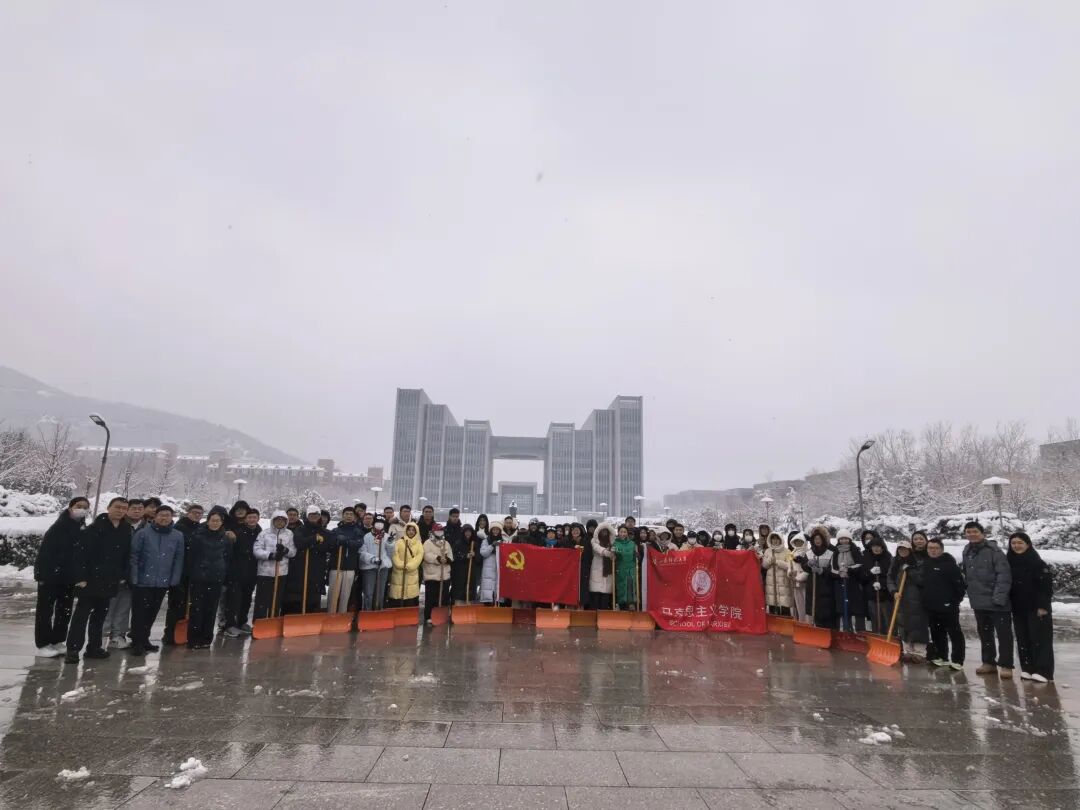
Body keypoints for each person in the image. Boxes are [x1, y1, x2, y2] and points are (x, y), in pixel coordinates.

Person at [65, 497, 131, 663]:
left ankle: (94, 647)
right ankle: (73, 650)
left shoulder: (125, 529)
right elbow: (80, 555)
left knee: (100, 617)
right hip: (90, 579)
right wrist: (80, 577)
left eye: (124, 508)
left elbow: (125, 554)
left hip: (110, 580)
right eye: (117, 507)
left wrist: (122, 575)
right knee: (81, 616)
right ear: (109, 508)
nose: (121, 510)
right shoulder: (94, 528)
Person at [127, 505, 185, 656]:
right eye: (161, 515)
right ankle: (137, 641)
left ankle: (145, 639)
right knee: (140, 612)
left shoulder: (177, 535)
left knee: (153, 611)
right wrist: (134, 577)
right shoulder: (143, 533)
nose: (164, 518)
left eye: (167, 515)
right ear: (155, 516)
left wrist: (174, 579)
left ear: (172, 517)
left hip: (162, 581)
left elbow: (178, 558)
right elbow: (134, 556)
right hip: (142, 580)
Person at [34, 497, 88, 657]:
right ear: (71, 507)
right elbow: (45, 553)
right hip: (50, 576)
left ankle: (57, 640)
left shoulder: (81, 527)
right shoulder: (59, 526)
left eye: (85, 507)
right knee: (45, 611)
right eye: (78, 506)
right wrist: (40, 574)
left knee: (64, 610)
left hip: (68, 577)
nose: (82, 509)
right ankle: (43, 643)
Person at [961, 521, 1014, 678]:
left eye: (975, 531)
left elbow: (1004, 574)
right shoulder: (967, 550)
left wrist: (998, 597)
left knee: (1004, 635)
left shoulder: (994, 550)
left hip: (997, 601)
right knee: (985, 634)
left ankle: (1006, 665)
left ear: (982, 533)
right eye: (968, 532)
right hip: (978, 601)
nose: (972, 534)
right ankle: (988, 662)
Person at [1008, 531, 1054, 683]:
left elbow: (1046, 587)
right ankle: (1028, 668)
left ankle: (1044, 671)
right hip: (1018, 607)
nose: (1016, 546)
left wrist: (1042, 606)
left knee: (1040, 638)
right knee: (1023, 638)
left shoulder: (1037, 563)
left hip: (1036, 607)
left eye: (1020, 543)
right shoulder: (1009, 561)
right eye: (1013, 543)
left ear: (1028, 544)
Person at [184, 506, 231, 649]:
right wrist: (193, 573)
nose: (215, 523)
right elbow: (190, 557)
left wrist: (223, 573)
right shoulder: (198, 536)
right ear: (208, 521)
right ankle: (193, 639)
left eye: (218, 521)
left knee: (211, 610)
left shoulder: (225, 539)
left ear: (221, 522)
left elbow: (227, 557)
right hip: (199, 578)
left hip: (216, 579)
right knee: (197, 609)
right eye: (213, 520)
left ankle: (206, 639)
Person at [921, 537, 965, 670]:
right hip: (931, 606)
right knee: (937, 632)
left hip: (948, 606)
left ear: (941, 549)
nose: (933, 551)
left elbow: (960, 586)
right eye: (930, 548)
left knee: (954, 633)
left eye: (936, 548)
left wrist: (953, 602)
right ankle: (942, 656)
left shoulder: (950, 565)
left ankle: (957, 659)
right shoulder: (926, 563)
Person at [162, 503, 203, 646]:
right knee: (177, 605)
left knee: (190, 605)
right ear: (188, 513)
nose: (197, 515)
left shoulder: (201, 529)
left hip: (194, 572)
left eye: (199, 513)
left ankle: (185, 633)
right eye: (194, 512)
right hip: (180, 572)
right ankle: (170, 634)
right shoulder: (179, 528)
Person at [103, 497, 141, 649]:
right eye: (133, 508)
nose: (137, 511)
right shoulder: (117, 526)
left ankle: (118, 636)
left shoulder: (146, 527)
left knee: (124, 608)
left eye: (140, 508)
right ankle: (102, 636)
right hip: (112, 573)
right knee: (107, 607)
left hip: (132, 574)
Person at [285, 506, 331, 615]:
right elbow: (299, 543)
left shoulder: (324, 531)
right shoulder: (300, 529)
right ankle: (296, 617)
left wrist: (311, 544)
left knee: (313, 596)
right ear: (307, 516)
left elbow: (327, 546)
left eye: (316, 514)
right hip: (300, 567)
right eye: (311, 514)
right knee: (297, 596)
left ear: (319, 516)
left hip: (317, 567)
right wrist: (314, 539)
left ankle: (311, 617)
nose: (314, 516)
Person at [889, 539, 929, 662]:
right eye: (900, 549)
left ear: (910, 550)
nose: (902, 551)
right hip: (900, 597)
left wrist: (910, 570)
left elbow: (922, 580)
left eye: (905, 549)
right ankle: (908, 651)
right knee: (903, 623)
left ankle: (919, 652)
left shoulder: (918, 562)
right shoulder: (895, 562)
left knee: (917, 624)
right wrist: (894, 591)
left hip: (916, 598)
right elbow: (890, 578)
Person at [253, 511, 296, 619]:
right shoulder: (264, 534)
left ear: (286, 522)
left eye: (282, 520)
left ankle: (273, 620)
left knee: (277, 599)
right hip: (265, 572)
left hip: (281, 572)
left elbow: (293, 552)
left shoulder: (289, 534)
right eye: (277, 520)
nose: (280, 522)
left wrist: (285, 550)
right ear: (273, 521)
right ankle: (259, 622)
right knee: (262, 600)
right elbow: (256, 550)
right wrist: (271, 555)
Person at [327, 506, 363, 614]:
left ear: (354, 517)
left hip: (350, 567)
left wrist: (346, 541)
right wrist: (337, 542)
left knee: (345, 595)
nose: (348, 516)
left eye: (351, 514)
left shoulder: (357, 531)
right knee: (333, 594)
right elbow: (329, 545)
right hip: (336, 566)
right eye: (346, 514)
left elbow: (358, 543)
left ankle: (342, 616)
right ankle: (330, 615)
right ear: (342, 516)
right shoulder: (335, 530)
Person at [830, 529, 866, 632]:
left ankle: (860, 631)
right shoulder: (836, 552)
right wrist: (840, 573)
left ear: (849, 539)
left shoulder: (855, 550)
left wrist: (849, 570)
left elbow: (860, 564)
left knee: (856, 607)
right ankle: (847, 629)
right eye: (841, 539)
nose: (844, 541)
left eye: (846, 538)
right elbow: (832, 568)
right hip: (841, 582)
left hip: (853, 583)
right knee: (844, 607)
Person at [800, 528, 834, 628]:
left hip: (825, 585)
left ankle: (827, 628)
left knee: (826, 610)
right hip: (812, 584)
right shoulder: (809, 553)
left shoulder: (830, 552)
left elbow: (833, 569)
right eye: (815, 539)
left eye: (819, 538)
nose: (817, 541)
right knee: (814, 609)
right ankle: (816, 627)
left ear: (823, 539)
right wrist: (808, 564)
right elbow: (804, 566)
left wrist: (822, 570)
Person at [862, 533, 893, 633]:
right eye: (874, 546)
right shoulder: (866, 557)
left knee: (888, 620)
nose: (876, 549)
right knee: (875, 619)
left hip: (886, 596)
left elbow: (891, 576)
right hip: (872, 595)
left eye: (879, 546)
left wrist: (882, 585)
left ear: (882, 547)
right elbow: (862, 576)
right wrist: (870, 573)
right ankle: (877, 637)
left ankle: (890, 638)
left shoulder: (888, 557)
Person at [359, 517, 393, 610]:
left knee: (380, 592)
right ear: (373, 523)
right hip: (369, 568)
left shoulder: (387, 536)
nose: (379, 524)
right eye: (377, 522)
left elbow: (391, 553)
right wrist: (373, 559)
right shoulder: (367, 536)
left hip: (383, 568)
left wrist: (390, 544)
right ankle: (367, 612)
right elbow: (362, 552)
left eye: (381, 522)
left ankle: (378, 611)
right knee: (368, 593)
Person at [422, 524, 453, 624]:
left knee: (444, 597)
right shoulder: (428, 543)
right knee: (431, 597)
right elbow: (426, 555)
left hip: (444, 575)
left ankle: (441, 616)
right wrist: (437, 558)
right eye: (437, 530)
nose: (439, 532)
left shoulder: (446, 543)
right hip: (432, 575)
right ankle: (428, 616)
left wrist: (447, 559)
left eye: (441, 530)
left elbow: (450, 556)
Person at [389, 522, 423, 607]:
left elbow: (419, 556)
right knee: (397, 597)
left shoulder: (418, 543)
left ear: (416, 532)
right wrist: (400, 564)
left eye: (413, 530)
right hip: (399, 572)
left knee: (410, 598)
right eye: (409, 530)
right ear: (406, 531)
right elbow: (394, 555)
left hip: (411, 572)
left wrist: (410, 566)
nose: (411, 532)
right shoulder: (399, 542)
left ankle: (408, 612)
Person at [761, 532, 792, 616]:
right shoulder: (768, 551)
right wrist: (769, 561)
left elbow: (790, 565)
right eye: (773, 539)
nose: (775, 541)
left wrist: (777, 562)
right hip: (771, 583)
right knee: (773, 606)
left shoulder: (787, 551)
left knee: (784, 606)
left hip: (783, 583)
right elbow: (764, 565)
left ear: (781, 540)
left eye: (777, 539)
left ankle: (786, 622)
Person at [451, 523, 480, 605]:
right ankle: (458, 606)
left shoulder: (475, 544)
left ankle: (469, 605)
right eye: (466, 532)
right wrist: (465, 556)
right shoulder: (458, 543)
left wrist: (474, 555)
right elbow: (454, 556)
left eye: (469, 532)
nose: (468, 533)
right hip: (460, 572)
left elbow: (479, 558)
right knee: (460, 590)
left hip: (471, 572)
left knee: (470, 589)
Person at [613, 525, 639, 610]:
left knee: (631, 585)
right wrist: (613, 552)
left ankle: (631, 604)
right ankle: (620, 605)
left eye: (625, 532)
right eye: (621, 532)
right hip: (620, 568)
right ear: (618, 533)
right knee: (621, 586)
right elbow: (614, 556)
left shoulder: (632, 544)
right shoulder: (615, 543)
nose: (623, 534)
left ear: (627, 533)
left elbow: (635, 556)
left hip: (631, 568)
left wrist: (637, 554)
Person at [589, 524, 615, 609]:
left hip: (608, 571)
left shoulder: (612, 542)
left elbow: (615, 553)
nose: (604, 533)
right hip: (597, 568)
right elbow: (597, 548)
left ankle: (604, 612)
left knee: (605, 595)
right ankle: (594, 611)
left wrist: (614, 554)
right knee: (596, 594)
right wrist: (606, 552)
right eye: (602, 531)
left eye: (606, 531)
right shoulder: (594, 541)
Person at [478, 523, 502, 604]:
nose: (495, 531)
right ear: (491, 531)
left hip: (498, 569)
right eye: (494, 529)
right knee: (488, 591)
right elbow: (483, 553)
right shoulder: (486, 541)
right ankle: (487, 604)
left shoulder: (503, 541)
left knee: (497, 591)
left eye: (497, 530)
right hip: (488, 570)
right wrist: (492, 546)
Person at [788, 533, 809, 623]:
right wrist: (789, 573)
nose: (798, 543)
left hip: (804, 582)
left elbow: (808, 570)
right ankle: (801, 621)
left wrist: (799, 578)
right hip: (794, 581)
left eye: (800, 541)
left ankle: (808, 622)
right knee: (798, 603)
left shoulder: (807, 553)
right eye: (796, 541)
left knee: (806, 603)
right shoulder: (792, 553)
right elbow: (789, 565)